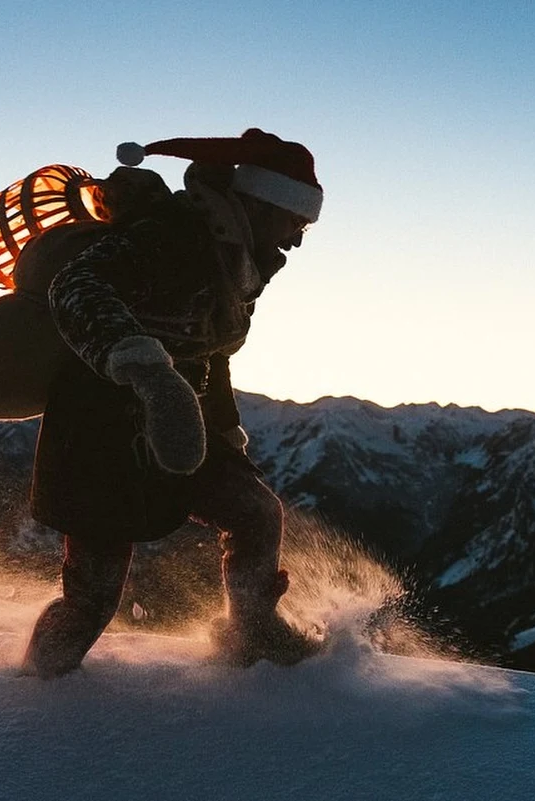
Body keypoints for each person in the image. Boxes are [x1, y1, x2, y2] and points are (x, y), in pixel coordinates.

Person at [21, 129, 324, 679]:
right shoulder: (175, 235)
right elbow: (75, 285)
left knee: (255, 513)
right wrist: (147, 371)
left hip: (182, 420)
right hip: (98, 434)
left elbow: (211, 352)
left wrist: (224, 428)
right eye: (296, 223)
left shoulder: (235, 258)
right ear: (260, 202)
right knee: (93, 600)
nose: (297, 241)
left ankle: (250, 633)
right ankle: (37, 694)